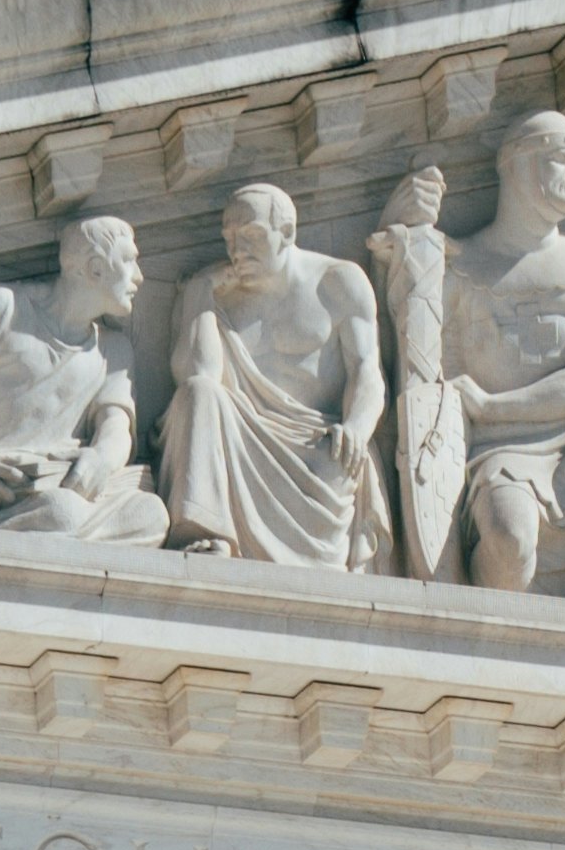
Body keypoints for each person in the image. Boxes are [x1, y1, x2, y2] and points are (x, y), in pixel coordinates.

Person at [383, 116, 565, 598]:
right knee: (510, 537)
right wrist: (402, 228)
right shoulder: (454, 264)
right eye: (562, 161)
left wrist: (494, 407)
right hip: (497, 453)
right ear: (515, 166)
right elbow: (409, 351)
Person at [161, 184, 392, 574]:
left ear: (287, 233)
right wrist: (200, 296)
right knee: (200, 393)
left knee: (336, 466)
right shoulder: (215, 292)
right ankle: (206, 531)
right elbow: (199, 378)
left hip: (314, 443)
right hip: (236, 442)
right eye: (230, 238)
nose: (236, 250)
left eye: (251, 235)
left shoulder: (338, 282)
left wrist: (357, 426)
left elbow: (368, 372)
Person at [0, 216, 172, 543]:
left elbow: (115, 427)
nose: (140, 277)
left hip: (63, 489)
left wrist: (100, 459)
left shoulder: (114, 350)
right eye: (130, 261)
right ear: (96, 268)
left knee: (151, 515)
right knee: (63, 513)